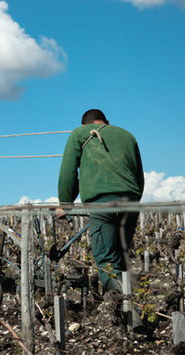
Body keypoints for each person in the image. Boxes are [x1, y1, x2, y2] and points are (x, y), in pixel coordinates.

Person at [57, 109, 144, 293]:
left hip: (102, 203)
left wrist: (65, 204)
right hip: (132, 202)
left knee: (106, 262)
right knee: (121, 259)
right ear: (107, 122)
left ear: (84, 125)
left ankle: (131, 309)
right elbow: (139, 176)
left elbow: (68, 172)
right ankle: (126, 307)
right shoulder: (128, 136)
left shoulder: (79, 133)